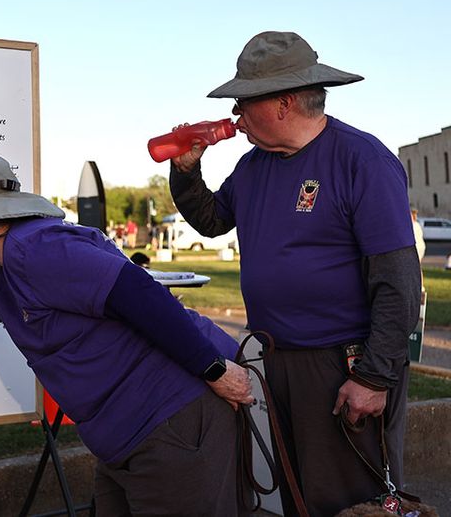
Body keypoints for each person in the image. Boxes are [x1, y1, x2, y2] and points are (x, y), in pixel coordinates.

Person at [0, 153, 253, 516]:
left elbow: (140, 293)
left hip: (170, 422)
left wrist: (215, 370)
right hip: (127, 438)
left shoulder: (39, 249)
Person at [167, 31, 421, 516]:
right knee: (294, 496)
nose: (236, 118)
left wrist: (374, 376)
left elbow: (399, 283)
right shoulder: (254, 165)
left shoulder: (361, 160)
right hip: (277, 360)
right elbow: (213, 220)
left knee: (350, 501)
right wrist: (185, 170)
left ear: (283, 103)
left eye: (244, 104)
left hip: (343, 364)